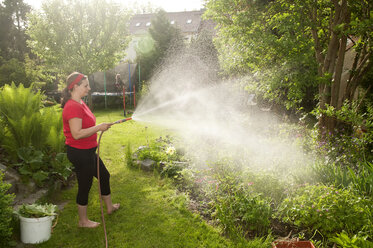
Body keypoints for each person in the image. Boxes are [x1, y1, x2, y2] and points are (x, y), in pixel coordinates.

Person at [61, 72, 120, 228]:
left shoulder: (80, 102)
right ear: (74, 87)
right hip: (80, 153)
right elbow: (76, 133)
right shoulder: (72, 106)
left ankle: (109, 207)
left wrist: (99, 127)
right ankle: (83, 221)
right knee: (85, 186)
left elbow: (86, 125)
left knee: (104, 176)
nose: (89, 88)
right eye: (86, 85)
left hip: (88, 151)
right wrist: (98, 128)